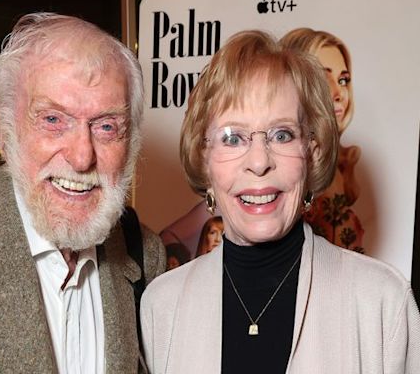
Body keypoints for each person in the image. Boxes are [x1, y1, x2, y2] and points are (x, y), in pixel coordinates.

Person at [140, 30, 420, 373]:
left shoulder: (382, 300)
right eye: (233, 138)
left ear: (312, 153)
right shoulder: (161, 305)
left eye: (282, 134)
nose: (259, 162)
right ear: (204, 158)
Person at [0, 12, 166, 373]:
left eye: (107, 126)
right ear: (4, 128)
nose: (81, 157)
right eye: (53, 120)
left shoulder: (144, 254)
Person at [281, 28, 364, 252]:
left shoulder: (341, 168)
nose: (339, 93)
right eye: (323, 78)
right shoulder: (270, 171)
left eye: (343, 79)